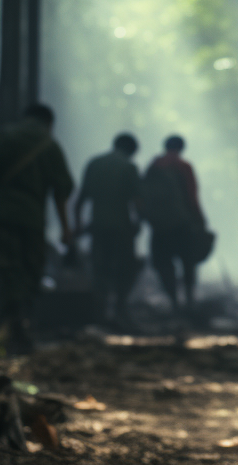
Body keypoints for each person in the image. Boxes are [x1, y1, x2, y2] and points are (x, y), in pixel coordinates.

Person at [0, 103, 74, 352]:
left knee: (8, 268)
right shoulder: (50, 145)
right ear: (49, 123)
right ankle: (22, 323)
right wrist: (66, 230)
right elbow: (61, 191)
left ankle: (11, 323)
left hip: (3, 214)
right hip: (32, 218)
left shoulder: (6, 135)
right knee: (31, 269)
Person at [75, 132, 144, 328]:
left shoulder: (94, 163)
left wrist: (78, 225)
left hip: (98, 227)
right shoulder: (129, 167)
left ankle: (100, 313)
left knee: (100, 270)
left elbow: (81, 200)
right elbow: (137, 201)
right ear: (131, 150)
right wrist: (139, 223)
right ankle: (120, 309)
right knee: (126, 269)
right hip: (122, 228)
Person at [140, 135, 209, 314]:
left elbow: (142, 195)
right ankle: (189, 301)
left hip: (159, 225)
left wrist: (145, 218)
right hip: (182, 224)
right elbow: (192, 196)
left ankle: (174, 303)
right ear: (181, 148)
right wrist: (200, 220)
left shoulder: (153, 166)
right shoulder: (184, 166)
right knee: (188, 262)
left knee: (163, 263)